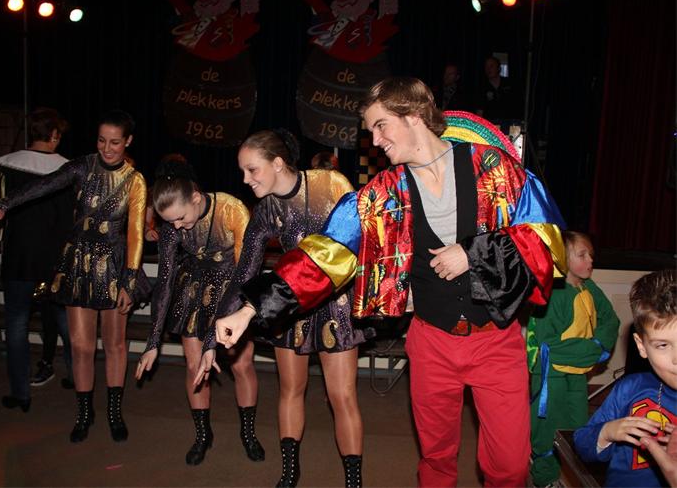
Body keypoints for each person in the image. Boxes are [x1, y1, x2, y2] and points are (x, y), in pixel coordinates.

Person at [211, 78, 567, 487]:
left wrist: (473, 253)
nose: (375, 141)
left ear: (413, 116)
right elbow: (323, 255)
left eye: (380, 126)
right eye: (371, 131)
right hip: (431, 343)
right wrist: (250, 309)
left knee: (510, 466)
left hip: (496, 343)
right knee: (436, 460)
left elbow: (547, 241)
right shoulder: (384, 193)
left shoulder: (493, 168)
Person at [196, 129, 370, 488]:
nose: (245, 180)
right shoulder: (265, 211)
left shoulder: (330, 183)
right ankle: (290, 473)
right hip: (290, 307)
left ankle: (354, 482)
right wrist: (211, 339)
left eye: (252, 170)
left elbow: (360, 238)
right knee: (291, 390)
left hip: (336, 304)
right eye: (242, 171)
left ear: (277, 163)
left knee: (342, 396)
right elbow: (244, 273)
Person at [0, 109, 147, 443]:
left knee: (116, 345)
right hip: (79, 264)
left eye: (115, 142)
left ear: (128, 141)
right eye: (101, 140)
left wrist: (130, 280)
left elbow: (135, 234)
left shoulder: (135, 180)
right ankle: (84, 413)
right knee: (80, 346)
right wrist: (3, 205)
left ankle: (114, 412)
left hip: (114, 267)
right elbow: (43, 186)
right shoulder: (81, 166)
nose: (107, 148)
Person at [134, 158, 264, 466]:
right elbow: (165, 280)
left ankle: (248, 433)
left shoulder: (231, 209)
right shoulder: (172, 226)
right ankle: (203, 435)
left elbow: (246, 273)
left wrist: (215, 336)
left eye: (180, 218)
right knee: (195, 367)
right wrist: (153, 341)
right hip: (193, 293)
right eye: (170, 222)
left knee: (241, 365)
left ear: (195, 197)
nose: (176, 227)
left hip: (233, 291)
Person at [0, 107, 74, 413]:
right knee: (67, 323)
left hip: (19, 256)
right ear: (54, 135)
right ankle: (79, 380)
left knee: (16, 324)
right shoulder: (69, 169)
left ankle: (21, 393)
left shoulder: (8, 166)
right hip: (56, 259)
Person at [527, 230, 620, 487]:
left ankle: (570, 473)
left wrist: (599, 344)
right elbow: (548, 345)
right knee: (546, 426)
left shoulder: (589, 287)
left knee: (577, 424)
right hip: (551, 375)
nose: (590, 260)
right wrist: (592, 350)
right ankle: (544, 477)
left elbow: (610, 319)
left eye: (591, 254)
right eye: (582, 255)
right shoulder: (552, 295)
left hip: (577, 372)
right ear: (563, 259)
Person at [574, 269, 677, 488]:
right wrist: (608, 432)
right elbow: (582, 443)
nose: (676, 358)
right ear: (642, 346)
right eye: (662, 345)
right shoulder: (631, 388)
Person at [476, 56, 519, 122]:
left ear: (499, 68)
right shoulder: (482, 87)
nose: (488, 69)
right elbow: (479, 111)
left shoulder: (509, 84)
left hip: (509, 122)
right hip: (489, 124)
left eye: (491, 66)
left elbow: (516, 106)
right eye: (486, 67)